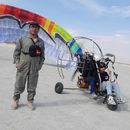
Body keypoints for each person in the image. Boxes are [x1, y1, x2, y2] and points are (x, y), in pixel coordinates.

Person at [12, 22, 45, 110]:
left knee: (32, 85)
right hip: (23, 65)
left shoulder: (41, 42)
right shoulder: (22, 39)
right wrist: (17, 63)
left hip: (34, 67)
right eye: (32, 27)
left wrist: (39, 66)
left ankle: (30, 101)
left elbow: (42, 56)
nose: (34, 29)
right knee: (19, 83)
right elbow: (16, 52)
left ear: (38, 30)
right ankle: (16, 100)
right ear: (29, 28)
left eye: (36, 28)